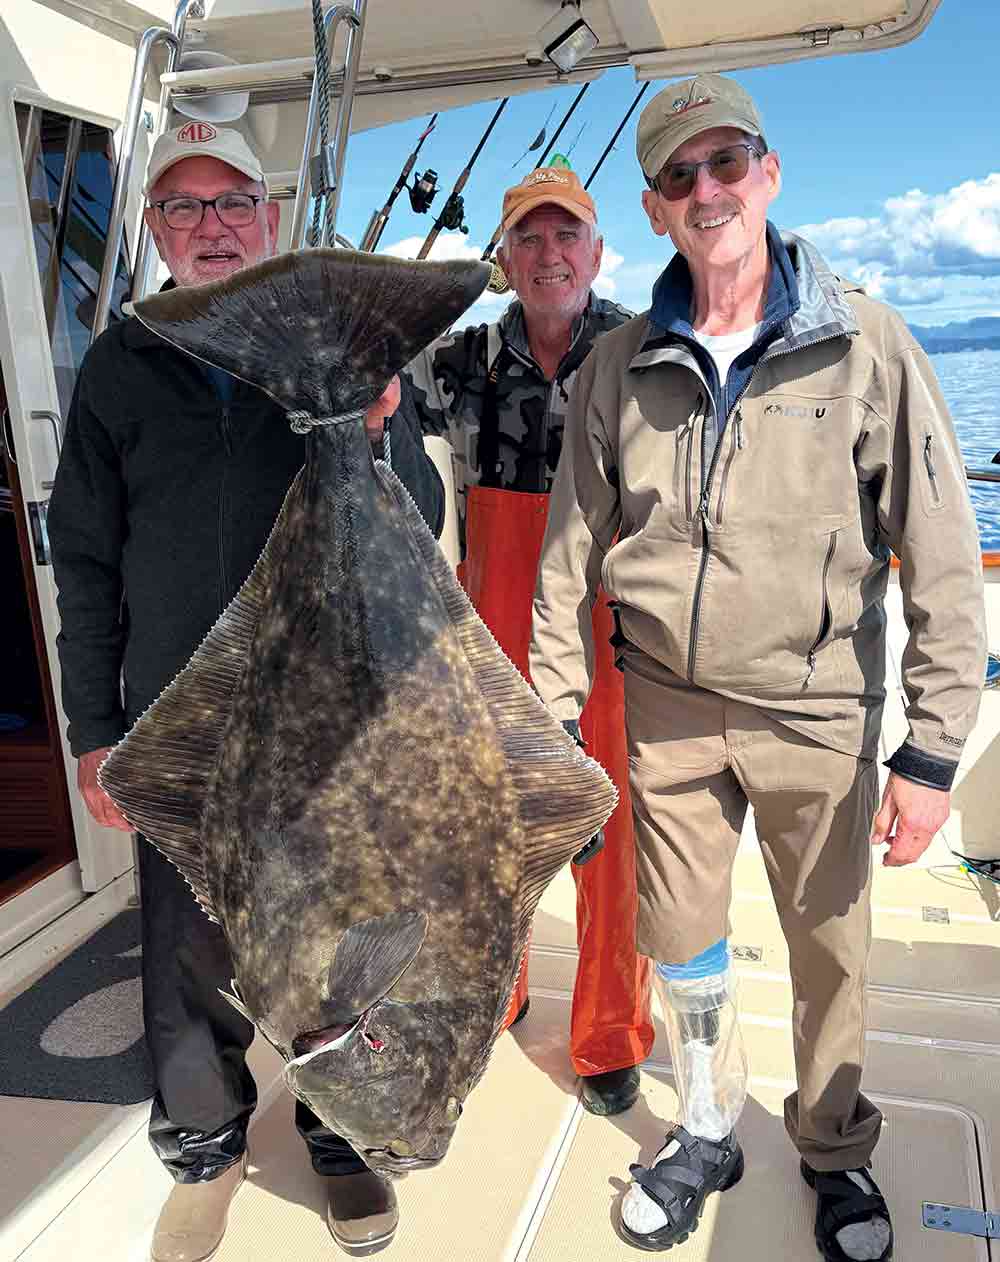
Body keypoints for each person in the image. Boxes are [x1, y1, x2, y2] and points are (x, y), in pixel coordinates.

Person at [528, 74, 986, 1262]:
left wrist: (931, 752)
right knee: (678, 939)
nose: (707, 189)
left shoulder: (869, 339)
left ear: (767, 176)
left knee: (829, 945)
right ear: (654, 209)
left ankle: (833, 1146)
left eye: (726, 163)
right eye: (680, 176)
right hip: (668, 712)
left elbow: (939, 558)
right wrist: (544, 732)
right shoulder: (617, 362)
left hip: (819, 706)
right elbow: (565, 560)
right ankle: (709, 1121)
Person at [47, 122, 445, 1262]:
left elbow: (413, 515)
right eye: (185, 207)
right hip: (179, 712)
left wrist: (380, 431)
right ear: (157, 232)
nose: (213, 225)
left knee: (341, 935)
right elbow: (84, 555)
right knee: (188, 944)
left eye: (232, 202)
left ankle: (342, 1135)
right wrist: (96, 726)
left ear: (265, 218)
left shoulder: (334, 344)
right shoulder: (120, 364)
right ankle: (203, 1143)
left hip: (326, 703)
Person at [386, 165, 654, 1117]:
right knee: (487, 836)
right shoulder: (455, 360)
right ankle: (496, 993)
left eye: (566, 236)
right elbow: (374, 401)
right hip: (488, 626)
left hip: (611, 627)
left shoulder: (641, 352)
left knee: (611, 837)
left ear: (596, 249)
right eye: (529, 239)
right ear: (504, 258)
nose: (549, 256)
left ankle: (611, 1034)